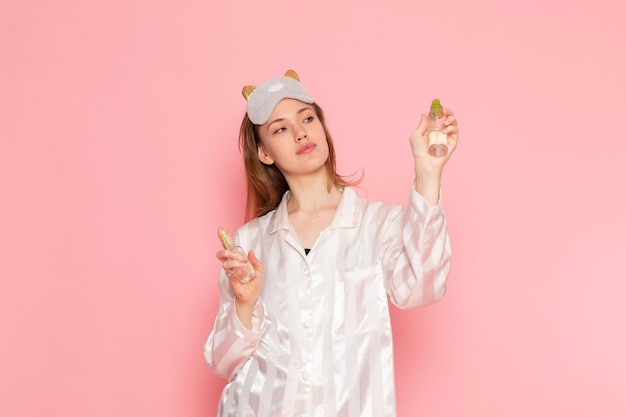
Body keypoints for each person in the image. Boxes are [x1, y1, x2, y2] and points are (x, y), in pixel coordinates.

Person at [204, 69, 458, 417]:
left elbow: (422, 287)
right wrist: (245, 303)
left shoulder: (378, 225)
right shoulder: (249, 242)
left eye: (307, 118)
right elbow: (221, 361)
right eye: (280, 128)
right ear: (264, 153)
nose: (300, 132)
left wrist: (428, 172)